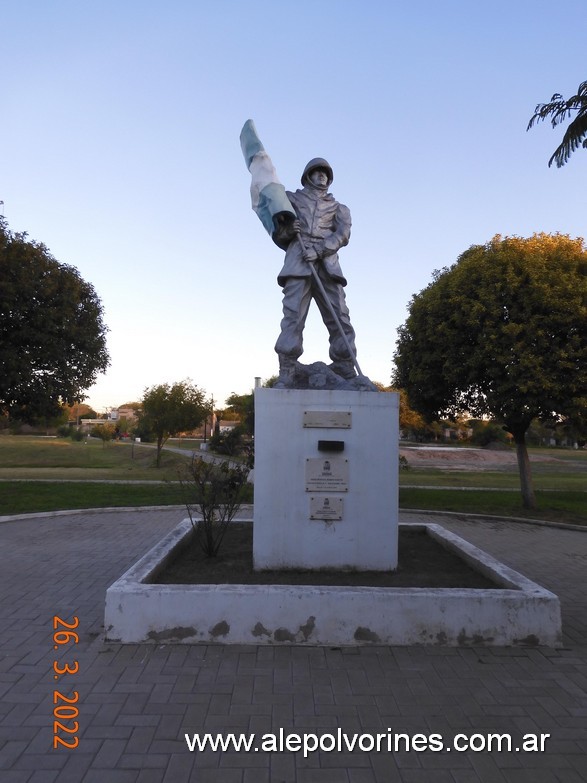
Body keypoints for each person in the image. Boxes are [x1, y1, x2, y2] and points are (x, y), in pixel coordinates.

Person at [272, 158, 358, 388]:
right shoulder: (290, 200)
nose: (322, 176)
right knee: (292, 316)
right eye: (317, 172)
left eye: (325, 173)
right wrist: (289, 230)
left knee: (339, 315)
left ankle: (345, 365)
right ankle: (287, 369)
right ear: (308, 175)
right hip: (298, 260)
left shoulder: (340, 208)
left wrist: (320, 250)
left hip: (327, 264)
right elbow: (278, 234)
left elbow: (342, 236)